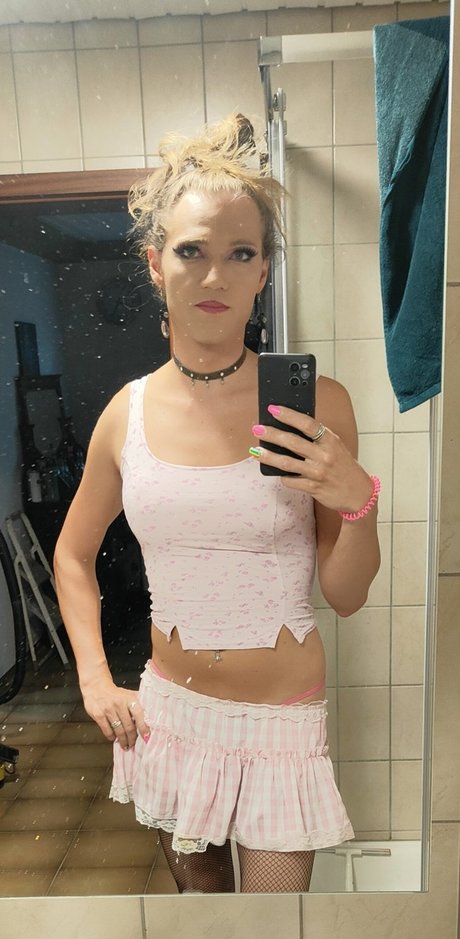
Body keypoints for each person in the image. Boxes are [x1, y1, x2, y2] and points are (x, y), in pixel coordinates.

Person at [53, 113, 381, 895]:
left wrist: (358, 500)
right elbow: (71, 553)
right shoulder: (125, 415)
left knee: (269, 926)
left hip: (280, 722)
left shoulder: (317, 405)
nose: (215, 277)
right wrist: (95, 678)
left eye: (241, 253)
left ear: (263, 272)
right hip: (172, 716)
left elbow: (346, 594)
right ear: (155, 263)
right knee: (203, 909)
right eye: (191, 251)